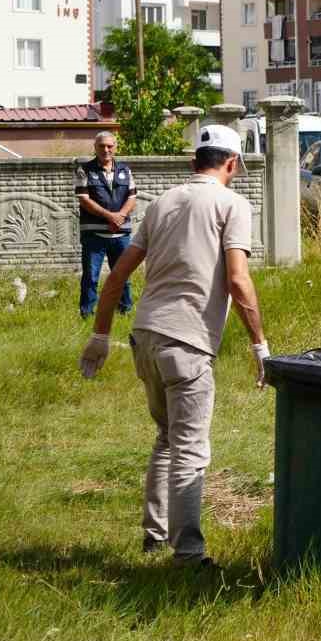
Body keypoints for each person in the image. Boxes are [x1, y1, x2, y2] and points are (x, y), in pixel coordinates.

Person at [77, 125, 269, 567]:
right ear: (232, 164)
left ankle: (154, 535)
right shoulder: (232, 204)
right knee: (190, 449)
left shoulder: (162, 202)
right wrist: (260, 345)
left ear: (192, 163)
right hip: (188, 343)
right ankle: (188, 553)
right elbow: (238, 280)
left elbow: (117, 275)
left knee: (166, 439)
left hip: (145, 335)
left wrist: (100, 334)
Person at [76, 130, 137, 318]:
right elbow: (83, 198)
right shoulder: (84, 170)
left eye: (110, 146)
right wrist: (110, 216)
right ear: (95, 147)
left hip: (121, 234)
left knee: (122, 277)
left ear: (115, 148)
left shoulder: (125, 170)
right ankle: (87, 314)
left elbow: (132, 197)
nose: (106, 149)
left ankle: (124, 311)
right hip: (94, 234)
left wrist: (120, 216)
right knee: (91, 277)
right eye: (101, 146)